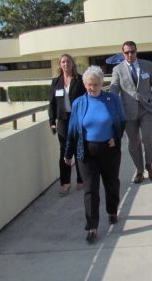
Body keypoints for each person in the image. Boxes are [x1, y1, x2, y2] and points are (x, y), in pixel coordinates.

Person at [64, 65, 126, 243]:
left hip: (109, 149)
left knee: (111, 183)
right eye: (89, 84)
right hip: (87, 151)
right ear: (85, 84)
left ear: (101, 84)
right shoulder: (79, 103)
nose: (92, 88)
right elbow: (72, 130)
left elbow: (121, 121)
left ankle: (112, 211)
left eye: (96, 84)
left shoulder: (112, 99)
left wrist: (116, 137)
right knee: (90, 190)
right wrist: (68, 153)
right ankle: (92, 226)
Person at [110, 41, 152, 184]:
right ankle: (139, 170)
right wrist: (109, 103)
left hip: (147, 109)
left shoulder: (147, 65)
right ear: (123, 53)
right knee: (134, 143)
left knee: (148, 139)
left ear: (136, 51)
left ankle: (149, 165)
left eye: (132, 51)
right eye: (126, 52)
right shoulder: (117, 69)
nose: (130, 55)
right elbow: (114, 89)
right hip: (128, 111)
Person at [48, 53, 86, 195]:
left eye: (68, 61)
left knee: (79, 149)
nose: (65, 64)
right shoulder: (56, 82)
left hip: (77, 118)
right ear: (60, 64)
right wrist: (52, 122)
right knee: (64, 151)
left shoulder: (80, 80)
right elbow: (51, 104)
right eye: (63, 62)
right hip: (62, 120)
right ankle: (65, 183)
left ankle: (81, 179)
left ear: (72, 64)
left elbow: (85, 100)